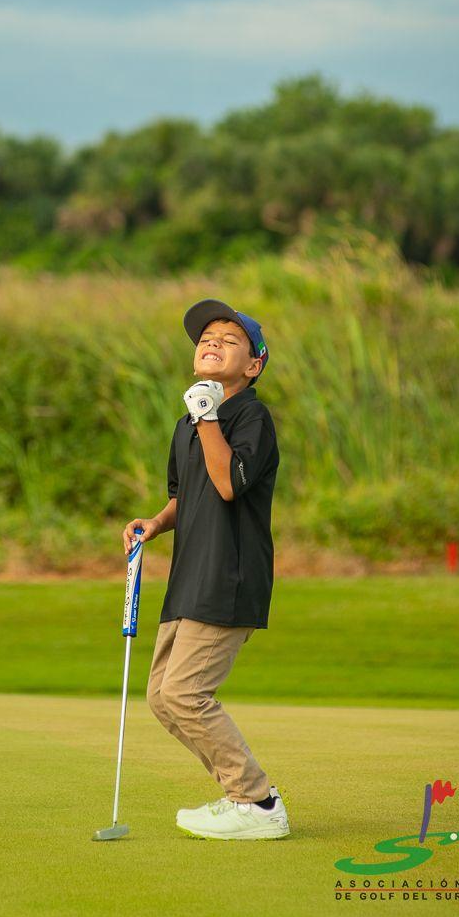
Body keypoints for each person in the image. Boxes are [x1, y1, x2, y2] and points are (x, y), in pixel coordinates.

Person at [122, 299, 289, 840]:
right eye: (206, 338)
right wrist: (155, 522)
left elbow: (228, 483)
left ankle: (257, 802)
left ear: (253, 365)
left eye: (229, 339)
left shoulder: (251, 418)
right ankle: (241, 796)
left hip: (229, 577)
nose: (212, 342)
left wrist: (208, 415)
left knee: (186, 694)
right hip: (188, 579)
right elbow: (186, 495)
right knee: (162, 698)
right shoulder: (188, 423)